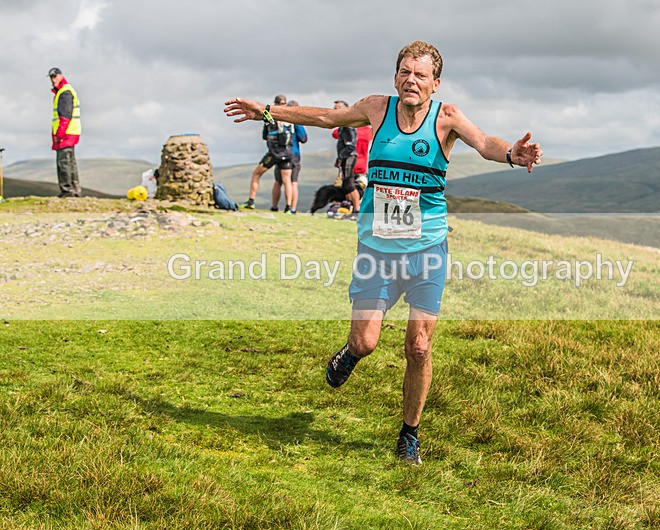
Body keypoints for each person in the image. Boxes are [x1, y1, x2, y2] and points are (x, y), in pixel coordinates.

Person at [224, 40, 543, 465]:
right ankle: (352, 351)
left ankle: (409, 433)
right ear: (396, 76)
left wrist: (511, 154)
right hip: (377, 248)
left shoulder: (447, 117)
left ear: (436, 82)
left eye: (421, 74)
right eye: (404, 72)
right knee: (367, 341)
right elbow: (322, 116)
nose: (411, 80)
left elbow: (484, 142)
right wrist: (267, 111)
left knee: (419, 347)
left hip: (427, 247)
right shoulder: (377, 108)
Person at [241, 95, 294, 210]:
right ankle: (289, 207)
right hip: (288, 152)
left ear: (275, 104)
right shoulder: (290, 117)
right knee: (287, 181)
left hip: (274, 153)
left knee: (256, 174)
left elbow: (265, 136)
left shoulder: (271, 117)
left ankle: (251, 201)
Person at [49, 68, 81, 198]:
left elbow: (65, 117)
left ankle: (67, 191)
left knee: (64, 163)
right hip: (71, 133)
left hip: (66, 134)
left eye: (55, 76)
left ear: (61, 76)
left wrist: (59, 135)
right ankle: (74, 190)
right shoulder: (66, 91)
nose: (53, 79)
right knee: (70, 163)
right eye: (51, 77)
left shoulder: (64, 93)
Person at [272, 100, 307, 214]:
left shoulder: (281, 120)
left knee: (278, 181)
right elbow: (303, 138)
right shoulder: (296, 120)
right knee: (293, 182)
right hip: (294, 154)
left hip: (280, 153)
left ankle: (274, 207)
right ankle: (292, 208)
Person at [332, 100, 360, 218]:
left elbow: (351, 145)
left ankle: (357, 211)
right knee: (345, 185)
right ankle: (349, 208)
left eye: (337, 108)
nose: (334, 110)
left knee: (349, 184)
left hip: (349, 156)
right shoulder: (342, 125)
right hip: (346, 156)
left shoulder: (348, 125)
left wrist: (340, 157)